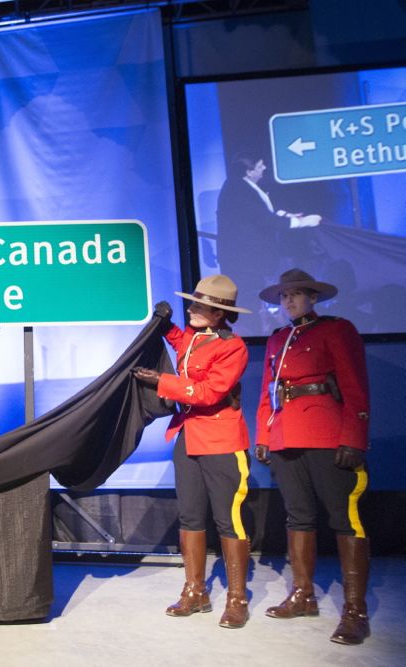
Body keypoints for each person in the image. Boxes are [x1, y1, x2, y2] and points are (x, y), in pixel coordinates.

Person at [254, 268, 371, 645]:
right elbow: (267, 391)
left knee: (343, 517)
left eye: (296, 294)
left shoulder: (337, 329)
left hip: (327, 432)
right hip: (287, 434)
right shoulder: (277, 340)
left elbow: (354, 384)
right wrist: (264, 434)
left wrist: (354, 436)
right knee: (298, 516)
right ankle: (303, 596)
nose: (288, 301)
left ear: (313, 298)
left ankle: (355, 612)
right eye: (284, 296)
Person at [133, 274, 253, 629]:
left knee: (227, 519)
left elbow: (209, 392)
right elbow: (181, 342)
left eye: (200, 305)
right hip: (188, 435)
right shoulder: (196, 338)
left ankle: (236, 599)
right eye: (194, 302)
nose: (193, 307)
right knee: (190, 517)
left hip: (221, 440)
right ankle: (195, 590)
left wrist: (161, 382)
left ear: (219, 314)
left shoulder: (233, 347)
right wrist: (164, 323)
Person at [216, 155, 320, 315]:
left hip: (248, 260)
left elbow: (262, 211)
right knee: (249, 303)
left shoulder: (244, 186)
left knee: (253, 300)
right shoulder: (238, 188)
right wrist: (302, 222)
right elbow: (261, 217)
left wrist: (288, 216)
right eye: (260, 166)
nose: (264, 168)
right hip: (244, 261)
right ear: (249, 172)